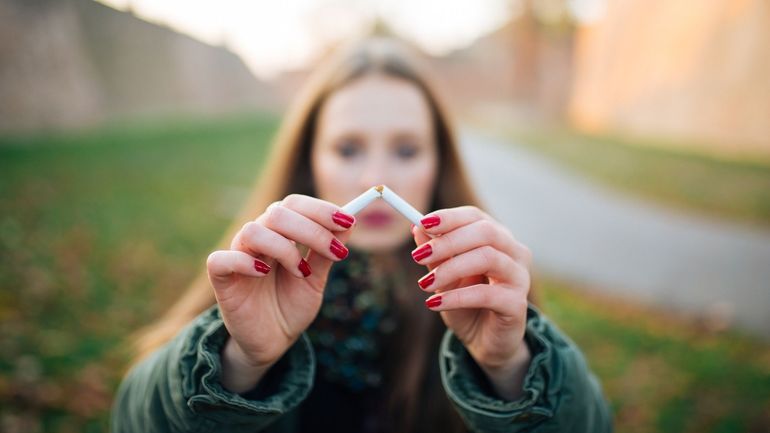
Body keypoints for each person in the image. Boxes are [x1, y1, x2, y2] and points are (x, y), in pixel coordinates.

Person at [111, 37, 612, 433]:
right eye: (348, 148)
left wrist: (509, 368)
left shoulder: (480, 292)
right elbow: (130, 420)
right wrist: (239, 361)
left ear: (439, 163)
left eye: (407, 149)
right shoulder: (257, 280)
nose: (376, 179)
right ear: (310, 161)